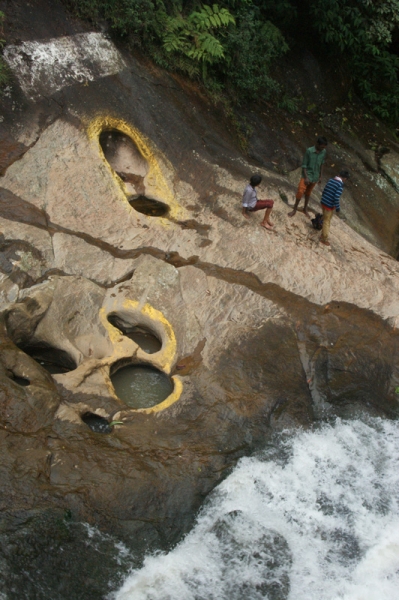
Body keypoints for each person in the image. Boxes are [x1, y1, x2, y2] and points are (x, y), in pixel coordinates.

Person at [289, 136, 328, 218]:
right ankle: (295, 209)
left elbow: (322, 163)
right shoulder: (309, 151)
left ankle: (305, 209)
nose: (322, 148)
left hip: (315, 176)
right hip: (307, 175)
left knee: (308, 193)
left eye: (324, 147)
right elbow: (304, 165)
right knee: (300, 191)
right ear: (317, 144)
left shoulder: (323, 152)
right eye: (321, 147)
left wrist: (321, 176)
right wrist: (306, 177)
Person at [320, 169, 350, 246]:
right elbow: (336, 197)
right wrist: (338, 208)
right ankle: (324, 238)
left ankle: (321, 230)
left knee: (324, 217)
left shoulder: (331, 180)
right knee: (327, 221)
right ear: (344, 178)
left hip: (323, 202)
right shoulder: (340, 185)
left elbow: (325, 190)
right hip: (329, 205)